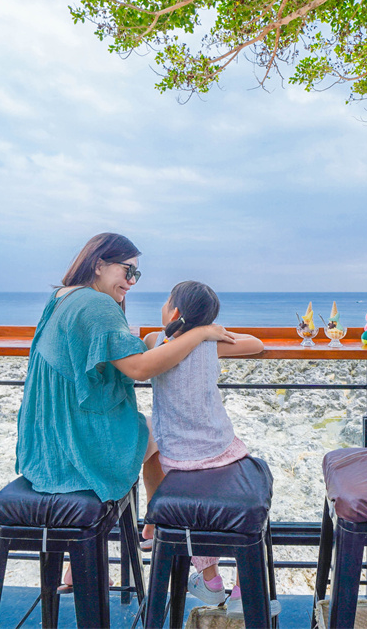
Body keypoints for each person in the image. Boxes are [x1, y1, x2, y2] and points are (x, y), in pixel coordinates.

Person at [15, 233, 234, 587]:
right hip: (78, 451)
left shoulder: (61, 298)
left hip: (42, 446)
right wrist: (201, 334)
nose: (131, 282)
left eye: (137, 275)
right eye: (127, 271)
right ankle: (160, 528)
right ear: (99, 264)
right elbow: (140, 369)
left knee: (147, 429)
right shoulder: (97, 305)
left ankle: (95, 550)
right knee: (158, 435)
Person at [143, 280, 276, 618]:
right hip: (219, 449)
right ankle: (245, 587)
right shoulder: (210, 346)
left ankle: (211, 578)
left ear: (173, 312)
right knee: (238, 491)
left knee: (195, 512)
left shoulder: (152, 342)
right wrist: (217, 334)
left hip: (177, 460)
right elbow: (257, 344)